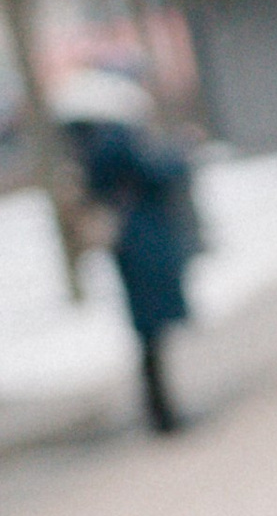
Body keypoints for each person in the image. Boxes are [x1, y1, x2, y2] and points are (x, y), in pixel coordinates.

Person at [53, 66, 199, 435]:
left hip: (130, 240)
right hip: (142, 238)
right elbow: (155, 172)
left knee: (147, 330)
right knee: (151, 328)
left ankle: (160, 408)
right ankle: (162, 412)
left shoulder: (85, 144)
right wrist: (181, 153)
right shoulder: (114, 141)